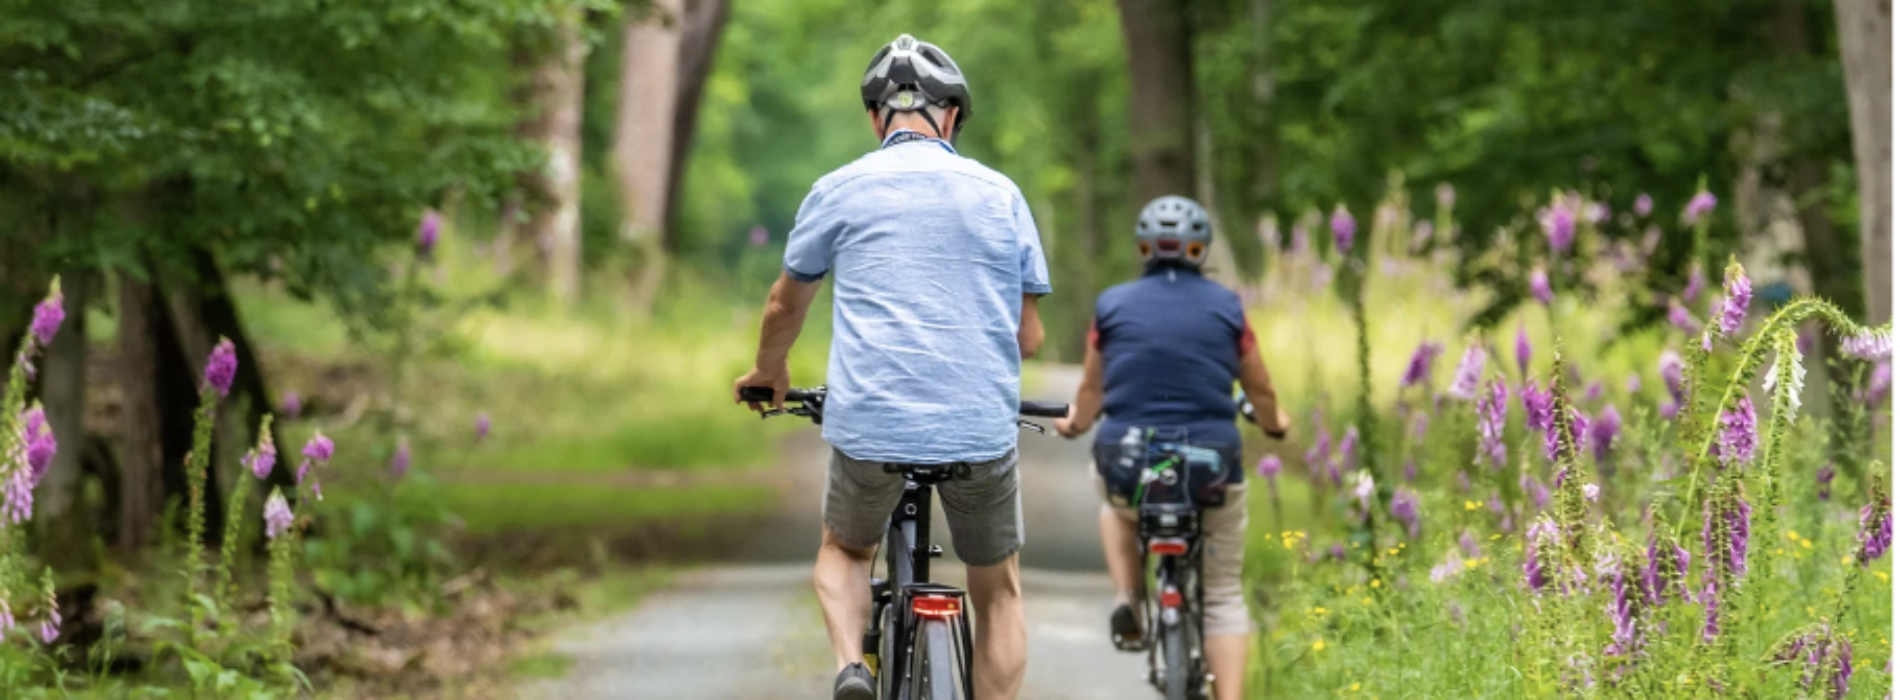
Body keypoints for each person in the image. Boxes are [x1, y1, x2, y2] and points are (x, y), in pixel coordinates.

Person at [733, 33, 1051, 700]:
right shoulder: (1001, 196)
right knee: (997, 587)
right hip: (978, 430)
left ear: (877, 118)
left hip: (871, 426)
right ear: (953, 116)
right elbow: (1028, 338)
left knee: (846, 549)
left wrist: (771, 371)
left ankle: (853, 666)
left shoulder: (838, 189)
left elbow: (782, 304)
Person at [1053, 195, 1290, 700]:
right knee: (1223, 594)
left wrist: (1076, 424)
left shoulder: (1112, 305)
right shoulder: (1228, 307)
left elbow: (1092, 390)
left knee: (1115, 507)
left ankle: (1129, 598)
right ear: (1200, 248)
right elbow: (1262, 389)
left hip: (1127, 462)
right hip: (1211, 466)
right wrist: (1275, 424)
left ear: (1145, 247)